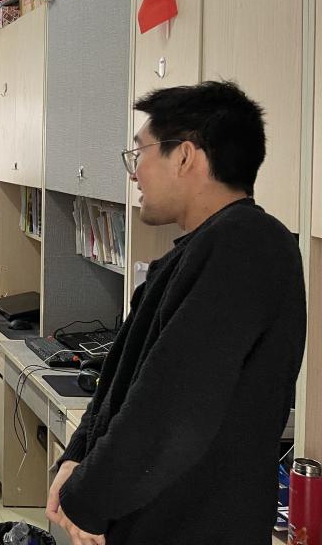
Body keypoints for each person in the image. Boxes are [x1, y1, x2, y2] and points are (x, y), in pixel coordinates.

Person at [46, 81, 306, 545]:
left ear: (185, 156)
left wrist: (87, 498)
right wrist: (78, 456)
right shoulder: (206, 248)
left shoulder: (246, 244)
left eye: (139, 153)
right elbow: (125, 382)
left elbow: (171, 408)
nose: (134, 173)